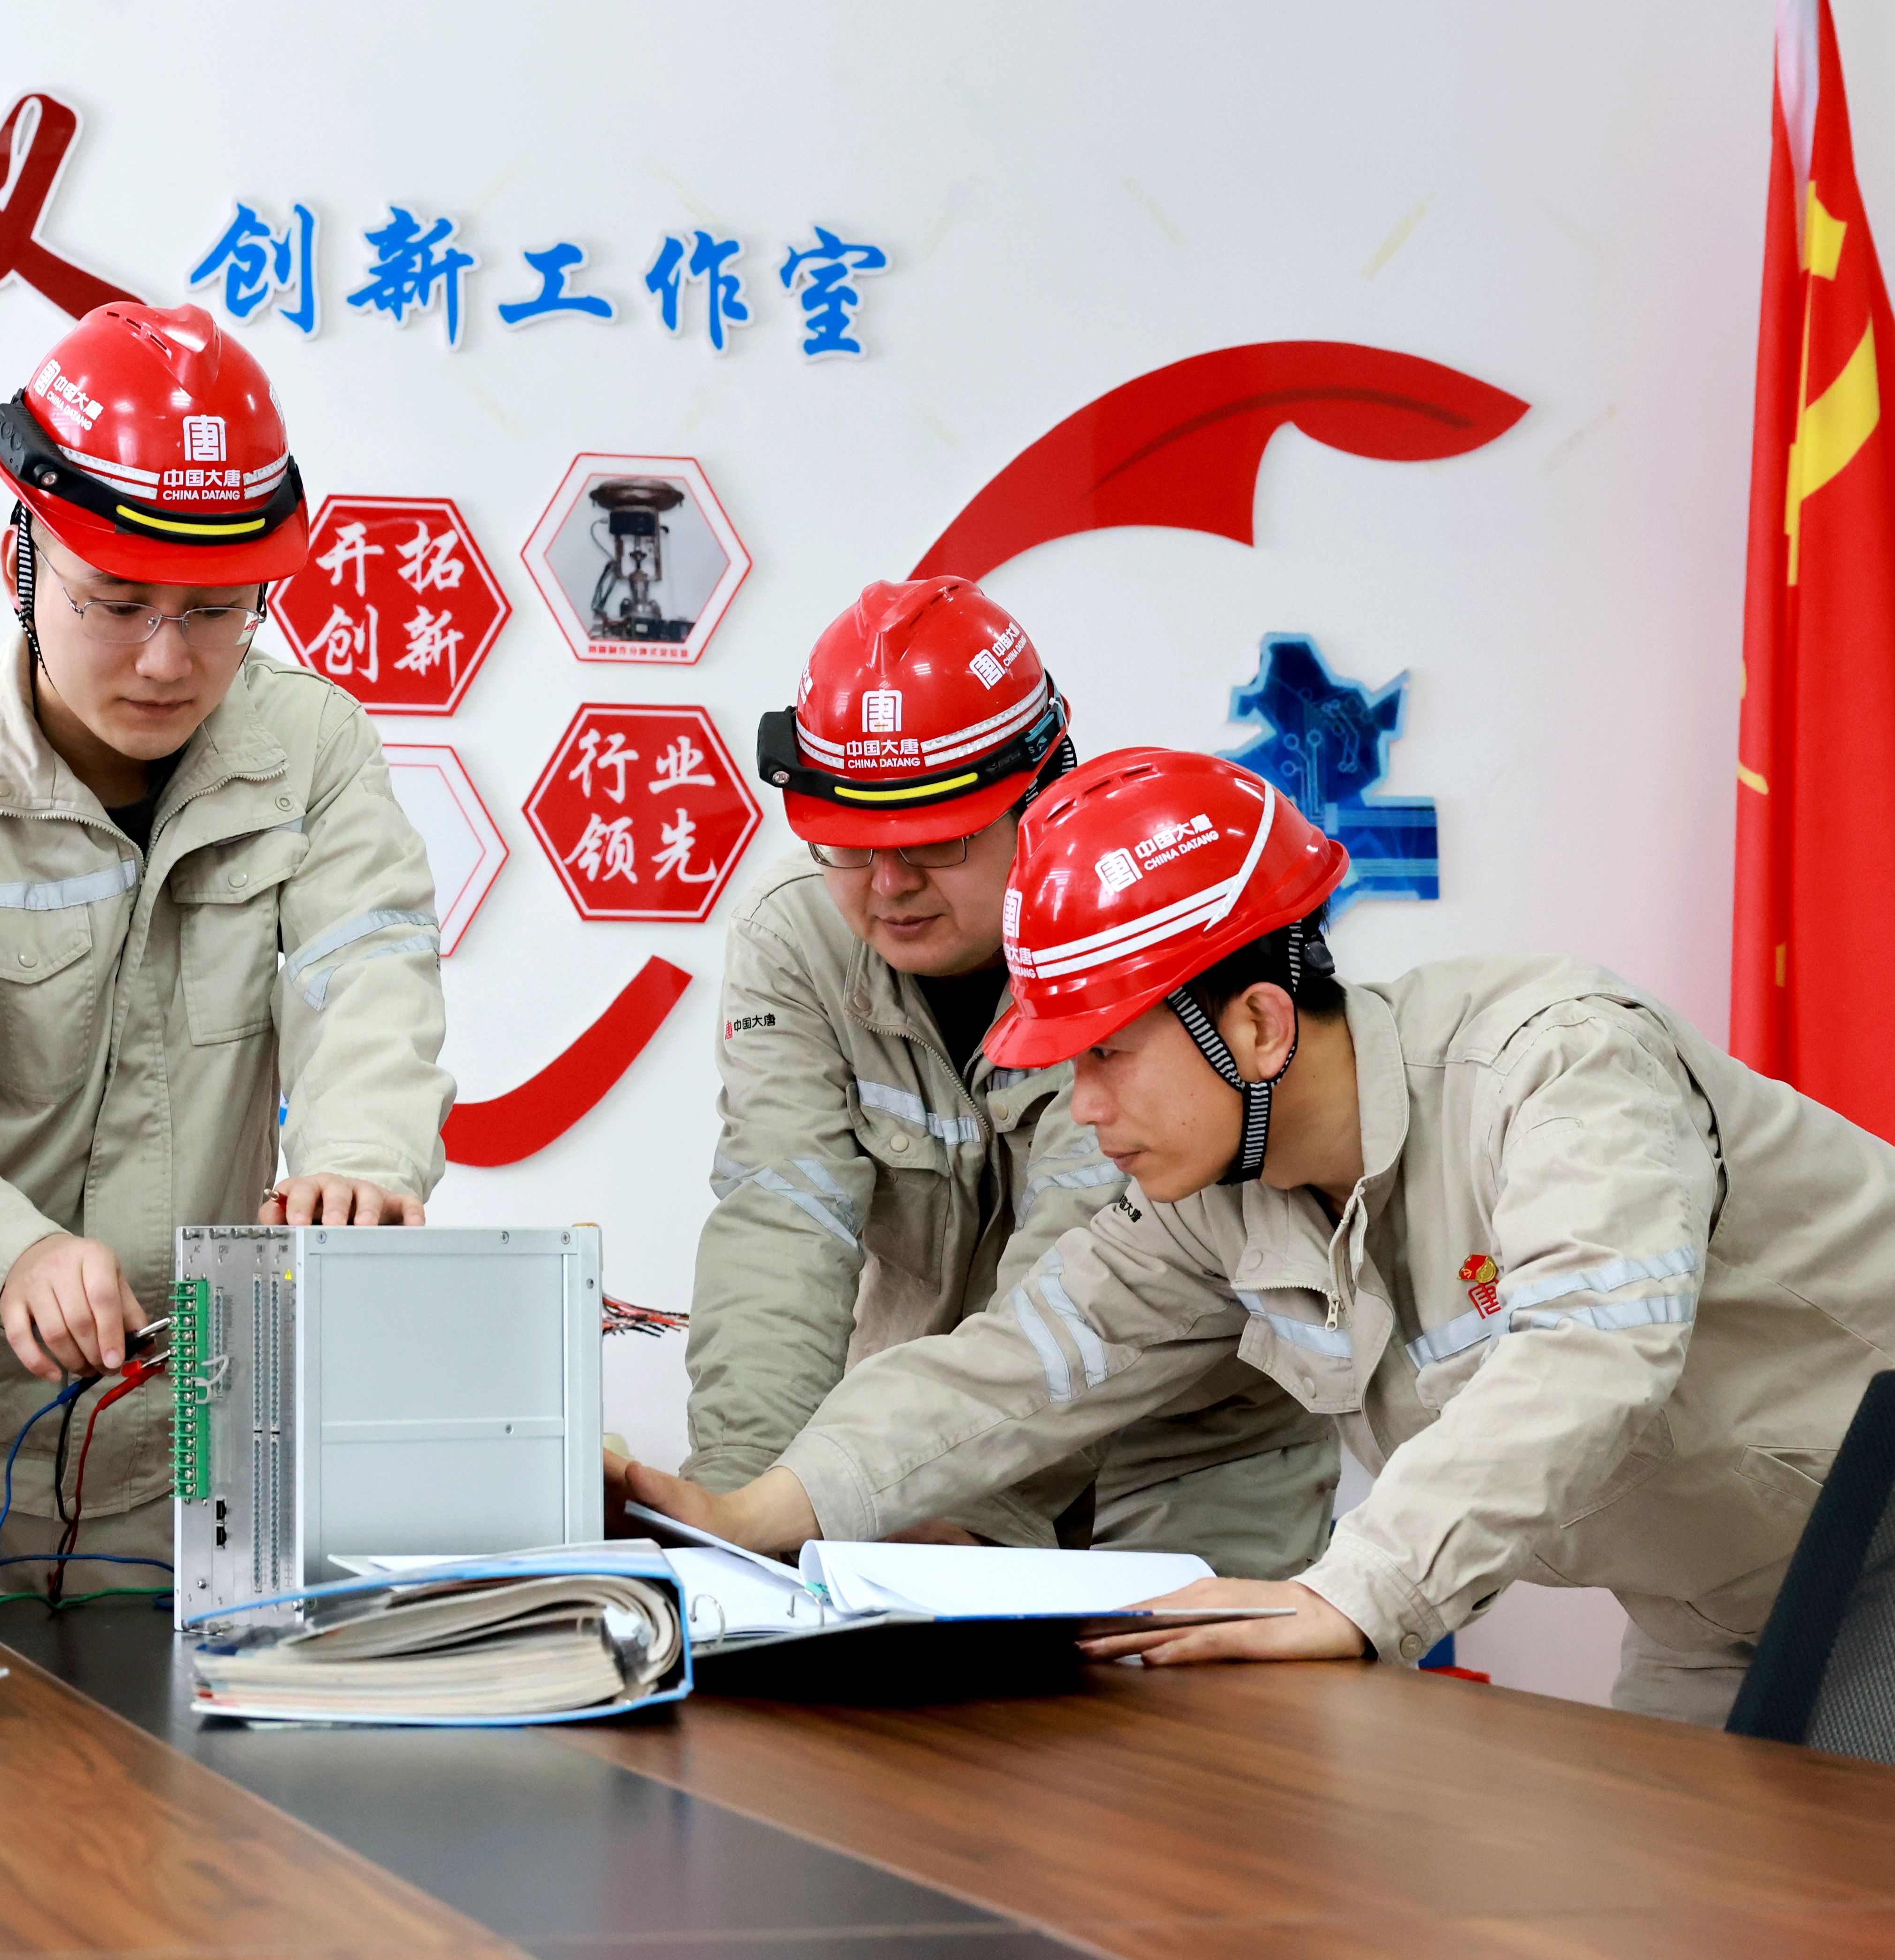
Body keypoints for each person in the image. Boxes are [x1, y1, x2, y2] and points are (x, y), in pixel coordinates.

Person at [616, 745, 1895, 1725]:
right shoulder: (1218, 1195)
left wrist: (1355, 1589)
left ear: (1259, 1025)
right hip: (1710, 1600)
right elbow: (1020, 1365)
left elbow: (1587, 1355)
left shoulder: (1554, 1068)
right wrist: (754, 1507)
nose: (1083, 1108)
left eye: (1107, 1056)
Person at [0, 302, 454, 1596]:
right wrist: (6, 1250)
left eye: (217, 611)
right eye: (117, 603)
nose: (167, 660)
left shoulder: (311, 753)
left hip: (177, 1457)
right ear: (22, 559)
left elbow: (370, 970)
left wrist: (362, 1156)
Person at [699, 581, 1331, 1574]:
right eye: (850, 844)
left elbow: (1084, 1256)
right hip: (924, 1429)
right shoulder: (794, 935)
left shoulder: (1133, 911)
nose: (889, 884)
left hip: (1186, 1443)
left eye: (936, 839)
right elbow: (782, 1224)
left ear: (1037, 798)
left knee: (1185, 1673)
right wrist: (732, 1515)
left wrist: (968, 1519)